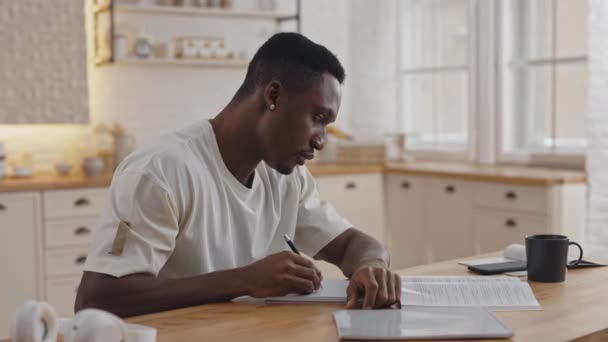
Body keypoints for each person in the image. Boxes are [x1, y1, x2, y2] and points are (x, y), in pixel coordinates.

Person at [75, 32, 401, 318]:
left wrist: (371, 267)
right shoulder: (159, 171)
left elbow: (355, 245)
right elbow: (97, 298)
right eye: (317, 117)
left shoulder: (287, 178)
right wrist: (244, 280)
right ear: (273, 96)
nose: (321, 139)